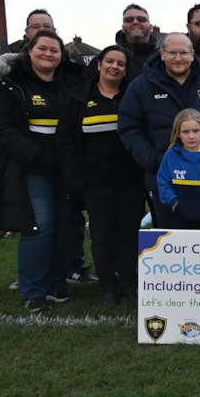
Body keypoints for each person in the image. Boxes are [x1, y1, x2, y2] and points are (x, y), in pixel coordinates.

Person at [0, 29, 84, 313]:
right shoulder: (8, 83)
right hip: (30, 168)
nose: (48, 54)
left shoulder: (72, 80)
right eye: (42, 48)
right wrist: (35, 154)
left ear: (62, 55)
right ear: (29, 51)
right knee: (40, 226)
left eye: (54, 50)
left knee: (63, 226)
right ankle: (33, 291)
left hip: (65, 169)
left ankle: (56, 284)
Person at [118, 32, 200, 228]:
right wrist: (152, 159)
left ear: (192, 54)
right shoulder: (142, 85)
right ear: (162, 54)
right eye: (172, 52)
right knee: (170, 242)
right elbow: (129, 126)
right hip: (166, 183)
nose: (178, 58)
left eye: (184, 53)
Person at [56, 45, 145, 307]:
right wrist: (75, 179)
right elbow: (65, 142)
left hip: (131, 181)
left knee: (129, 234)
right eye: (110, 61)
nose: (114, 67)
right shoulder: (78, 98)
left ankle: (129, 282)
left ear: (126, 70)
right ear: (99, 64)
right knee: (102, 235)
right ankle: (107, 286)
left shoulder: (133, 96)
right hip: (95, 183)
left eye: (121, 64)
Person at [110, 3, 161, 68]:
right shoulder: (107, 58)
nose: (135, 22)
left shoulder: (163, 58)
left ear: (151, 27)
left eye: (141, 19)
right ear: (122, 28)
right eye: (129, 20)